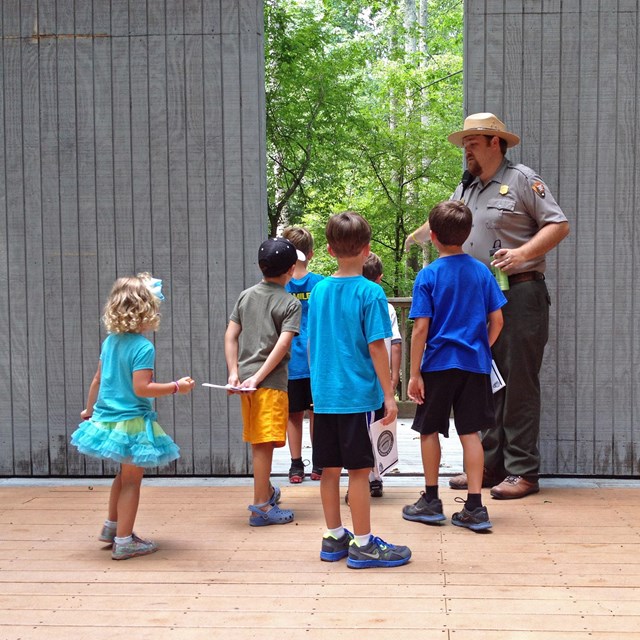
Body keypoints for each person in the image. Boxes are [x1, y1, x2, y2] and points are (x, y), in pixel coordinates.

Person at [405, 113, 570, 499]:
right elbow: (445, 221)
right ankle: (491, 466)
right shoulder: (466, 189)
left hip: (519, 295)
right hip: (479, 301)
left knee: (519, 385)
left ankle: (523, 470)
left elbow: (558, 224)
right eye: (465, 144)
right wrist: (419, 235)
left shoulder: (522, 180)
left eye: (473, 143)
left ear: (496, 143)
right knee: (487, 381)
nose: (467, 150)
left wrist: (524, 253)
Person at [307, 211, 411, 569]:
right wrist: (388, 393)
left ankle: (334, 536)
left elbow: (311, 343)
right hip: (357, 398)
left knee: (329, 470)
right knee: (360, 472)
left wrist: (317, 386)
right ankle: (364, 543)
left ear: (330, 249)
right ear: (367, 250)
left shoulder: (318, 290)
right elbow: (377, 346)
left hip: (324, 398)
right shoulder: (371, 293)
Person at [71, 273, 195, 560]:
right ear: (145, 311)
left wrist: (89, 410)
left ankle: (111, 528)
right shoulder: (143, 347)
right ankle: (125, 541)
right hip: (132, 422)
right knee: (131, 481)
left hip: (108, 420)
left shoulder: (111, 341)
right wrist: (178, 386)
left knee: (122, 475)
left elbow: (97, 379)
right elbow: (143, 388)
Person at [402, 201, 506, 531]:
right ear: (467, 234)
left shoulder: (428, 276)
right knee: (471, 433)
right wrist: (480, 349)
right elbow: (498, 321)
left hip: (437, 366)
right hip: (474, 366)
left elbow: (420, 328)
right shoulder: (481, 271)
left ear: (432, 236)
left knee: (428, 429)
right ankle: (475, 507)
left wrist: (414, 372)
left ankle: (431, 501)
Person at [225, 237, 303, 526]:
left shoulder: (246, 296)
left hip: (245, 382)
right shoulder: (290, 303)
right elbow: (282, 346)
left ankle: (266, 491)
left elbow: (230, 335)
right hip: (267, 385)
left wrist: (235, 372)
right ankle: (261, 507)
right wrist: (259, 377)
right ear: (292, 270)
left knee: (259, 441)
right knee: (263, 444)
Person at [282, 226, 324, 484]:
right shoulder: (321, 284)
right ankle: (318, 463)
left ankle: (296, 465)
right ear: (311, 252)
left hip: (289, 361)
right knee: (316, 414)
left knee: (293, 415)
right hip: (315, 360)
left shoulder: (279, 285)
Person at [361, 252, 402, 498]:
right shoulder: (386, 307)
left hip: (362, 376)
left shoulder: (355, 301)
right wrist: (394, 375)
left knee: (364, 427)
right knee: (379, 425)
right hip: (381, 377)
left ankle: (367, 477)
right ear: (380, 277)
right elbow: (395, 344)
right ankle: (376, 476)